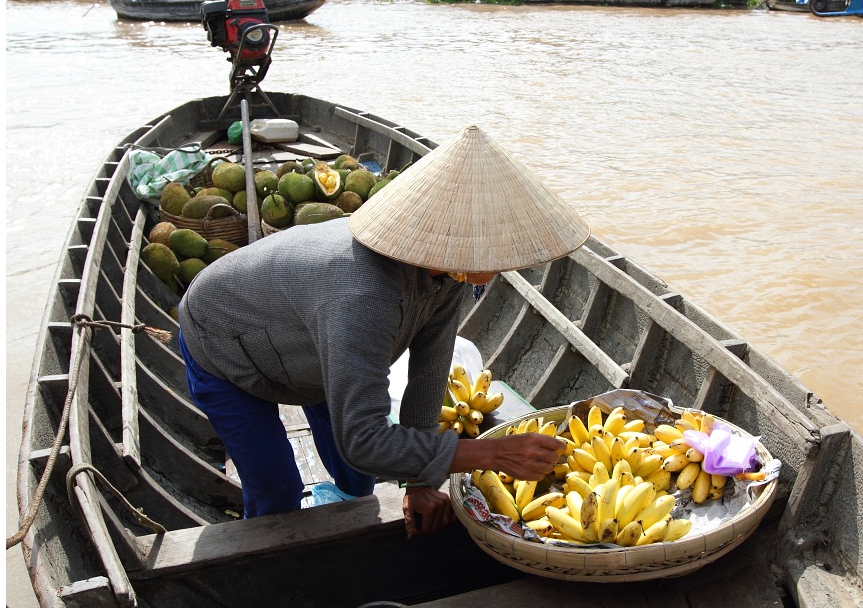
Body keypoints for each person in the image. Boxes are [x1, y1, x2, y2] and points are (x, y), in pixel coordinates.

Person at [177, 125, 591, 535]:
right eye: (500, 249)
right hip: (225, 342)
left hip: (312, 344)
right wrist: (493, 453)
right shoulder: (363, 297)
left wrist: (420, 482)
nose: (508, 261)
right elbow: (365, 441)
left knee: (358, 479)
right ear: (460, 244)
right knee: (276, 492)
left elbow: (429, 375)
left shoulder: (446, 274)